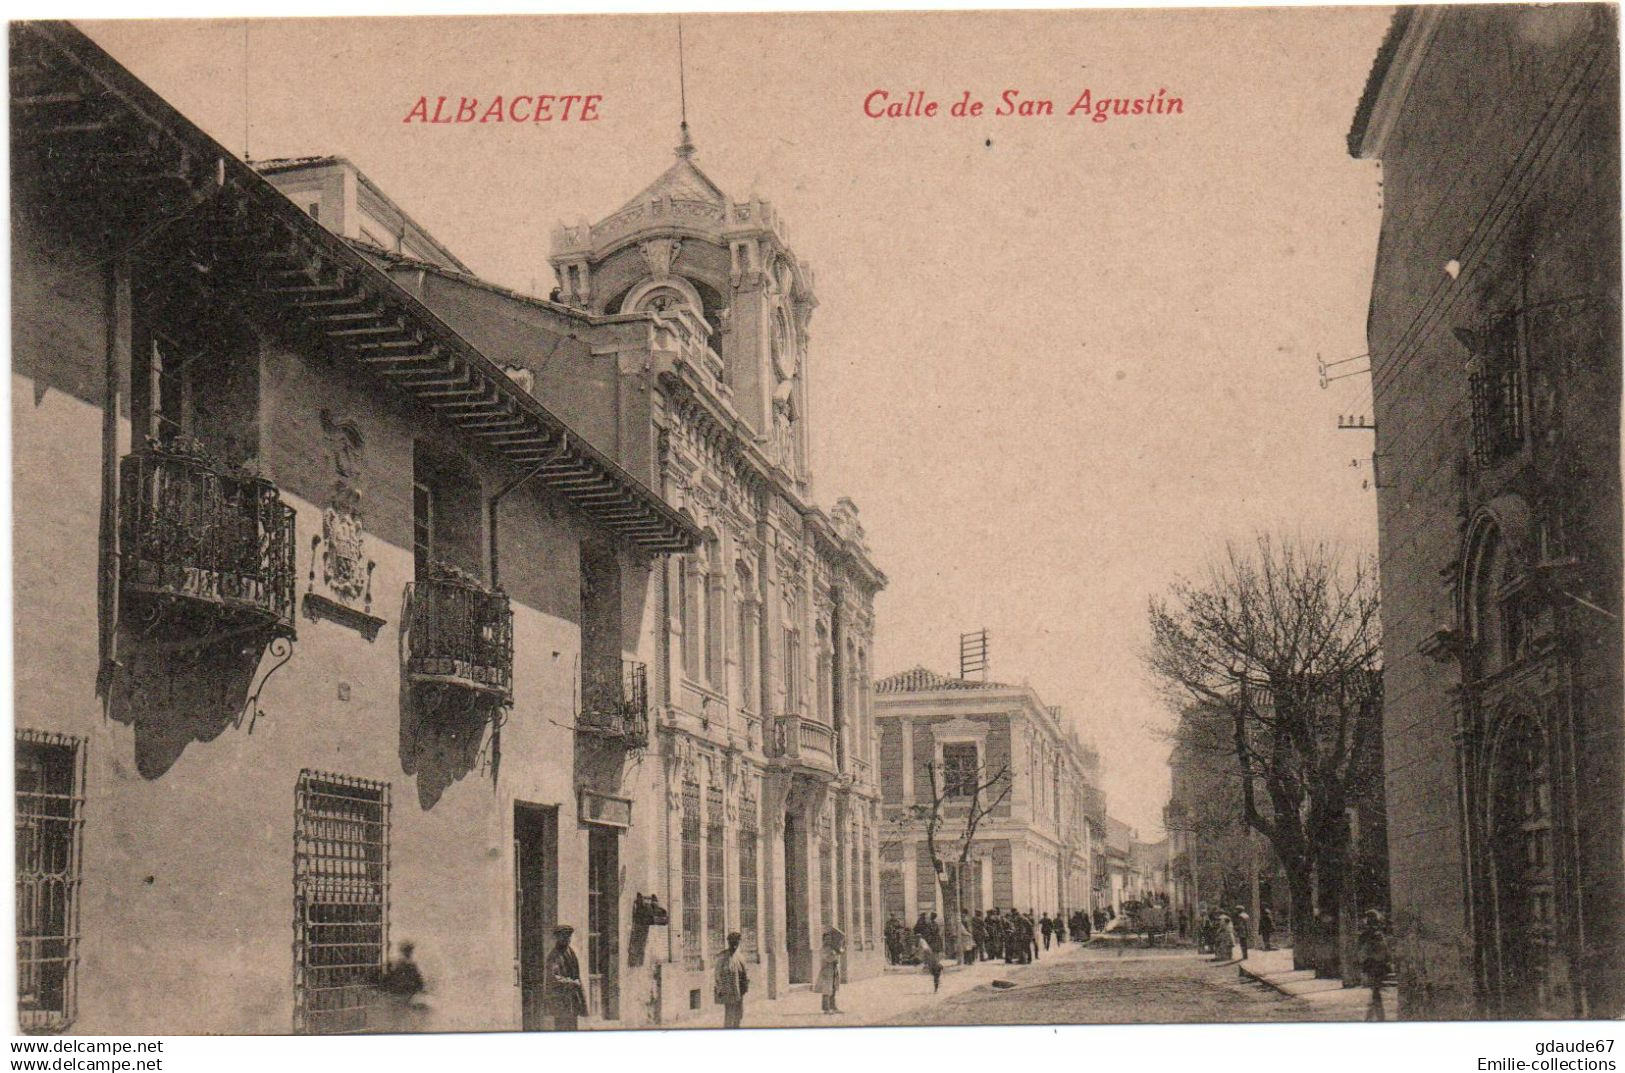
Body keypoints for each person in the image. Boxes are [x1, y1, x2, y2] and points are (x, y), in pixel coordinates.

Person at [376, 940, 427, 1032]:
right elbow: (419, 982)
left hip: (397, 996)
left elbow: (387, 978)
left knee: (397, 1018)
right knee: (402, 1019)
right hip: (403, 996)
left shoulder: (397, 963)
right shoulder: (409, 965)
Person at [544, 925, 587, 1031]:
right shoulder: (554, 956)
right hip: (560, 999)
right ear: (558, 938)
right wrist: (571, 982)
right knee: (562, 1026)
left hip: (572, 998)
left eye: (569, 937)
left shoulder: (570, 952)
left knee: (572, 1026)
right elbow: (554, 977)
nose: (567, 940)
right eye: (564, 937)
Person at [1357, 910, 1392, 1022]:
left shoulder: (1366, 935)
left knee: (1375, 993)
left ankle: (1375, 1018)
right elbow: (1386, 951)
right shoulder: (1380, 934)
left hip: (1372, 966)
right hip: (1379, 966)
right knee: (1375, 992)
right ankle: (1373, 1018)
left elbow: (1361, 952)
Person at [714, 930, 749, 1028]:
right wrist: (720, 988)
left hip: (739, 991)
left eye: (736, 943)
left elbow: (745, 974)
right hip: (728, 989)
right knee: (729, 1014)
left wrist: (745, 987)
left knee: (739, 1014)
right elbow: (717, 974)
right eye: (732, 943)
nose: (734, 945)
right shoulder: (722, 956)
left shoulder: (740, 957)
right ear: (728, 943)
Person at [816, 925, 845, 1014]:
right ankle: (826, 1009)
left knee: (833, 988)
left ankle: (833, 1007)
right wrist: (836, 954)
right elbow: (829, 959)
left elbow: (835, 956)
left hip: (833, 970)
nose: (828, 940)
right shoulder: (824, 949)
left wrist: (839, 950)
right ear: (824, 940)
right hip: (826, 972)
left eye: (830, 939)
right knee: (826, 990)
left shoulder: (832, 948)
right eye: (826, 939)